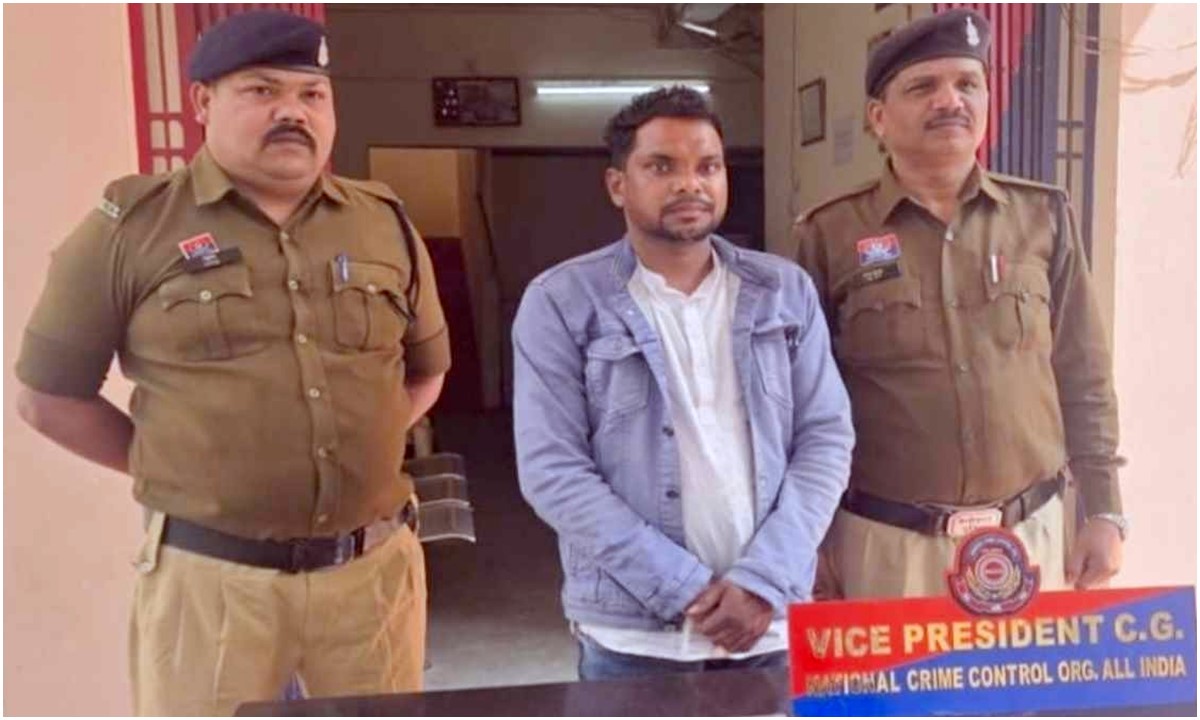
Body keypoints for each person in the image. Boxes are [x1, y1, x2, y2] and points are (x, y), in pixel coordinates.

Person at [14, 10, 450, 715]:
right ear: (203, 102)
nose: (292, 112)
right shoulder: (134, 227)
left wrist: (355, 447)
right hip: (210, 582)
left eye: (312, 95)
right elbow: (47, 398)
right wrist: (180, 467)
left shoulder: (383, 221)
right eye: (261, 91)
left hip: (370, 576)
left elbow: (424, 372)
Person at [511, 86, 854, 680]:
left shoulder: (784, 291)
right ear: (618, 185)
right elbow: (553, 470)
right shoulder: (562, 301)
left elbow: (826, 438)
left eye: (708, 167)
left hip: (769, 625)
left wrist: (763, 579)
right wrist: (686, 588)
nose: (690, 184)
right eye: (662, 167)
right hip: (634, 640)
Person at [794, 8, 1126, 600]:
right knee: (890, 672)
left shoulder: (1043, 217)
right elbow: (799, 400)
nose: (950, 100)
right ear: (878, 117)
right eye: (923, 86)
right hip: (888, 546)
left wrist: (1104, 509)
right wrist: (808, 536)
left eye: (967, 83)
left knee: (1028, 671)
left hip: (1030, 534)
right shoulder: (830, 234)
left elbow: (1083, 372)